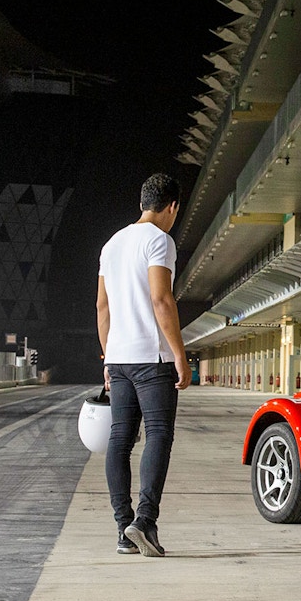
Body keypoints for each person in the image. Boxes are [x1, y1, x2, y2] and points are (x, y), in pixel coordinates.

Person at [96, 172, 191, 557]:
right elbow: (161, 300)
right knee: (158, 435)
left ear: (141, 203)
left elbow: (102, 307)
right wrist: (180, 355)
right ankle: (145, 522)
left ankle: (124, 529)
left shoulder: (112, 244)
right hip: (152, 359)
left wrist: (108, 355)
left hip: (118, 359)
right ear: (172, 207)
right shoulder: (160, 240)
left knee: (119, 440)